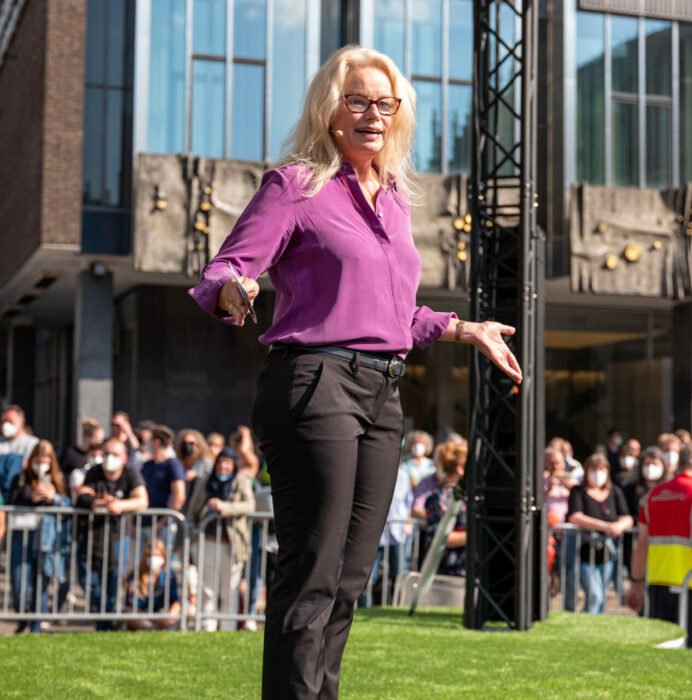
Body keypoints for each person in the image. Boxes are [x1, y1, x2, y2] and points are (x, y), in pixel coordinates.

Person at [189, 44, 521, 699]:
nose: (374, 114)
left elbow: (396, 314)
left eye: (385, 104)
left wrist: (466, 330)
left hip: (381, 392)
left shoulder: (394, 199)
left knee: (348, 580)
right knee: (312, 571)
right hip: (314, 382)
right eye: (358, 101)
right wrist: (235, 290)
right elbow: (224, 269)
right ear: (330, 109)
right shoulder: (295, 186)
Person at [627, 442, 692, 647]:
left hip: (658, 581)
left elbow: (641, 545)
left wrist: (635, 583)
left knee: (662, 647)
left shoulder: (653, 495)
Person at [75, 437, 148, 630]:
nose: (109, 458)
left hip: (117, 537)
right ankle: (104, 616)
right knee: (87, 580)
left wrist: (120, 505)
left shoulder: (130, 473)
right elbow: (83, 496)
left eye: (115, 454)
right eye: (107, 453)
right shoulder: (94, 472)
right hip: (92, 535)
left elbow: (142, 500)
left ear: (124, 458)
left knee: (113, 580)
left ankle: (106, 623)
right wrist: (103, 503)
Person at [186, 446, 255, 631]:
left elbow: (250, 505)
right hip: (208, 540)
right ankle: (207, 627)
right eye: (221, 462)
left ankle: (227, 628)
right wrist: (192, 538)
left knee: (229, 589)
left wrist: (225, 507)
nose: (223, 466)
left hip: (231, 544)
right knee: (207, 588)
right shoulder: (205, 482)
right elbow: (192, 511)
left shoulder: (241, 482)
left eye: (228, 462)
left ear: (233, 465)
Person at [8, 440, 69, 633]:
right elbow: (11, 501)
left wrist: (54, 498)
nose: (41, 465)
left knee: (41, 582)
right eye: (37, 460)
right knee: (19, 582)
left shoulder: (58, 479)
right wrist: (31, 498)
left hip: (46, 539)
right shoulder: (20, 478)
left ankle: (36, 626)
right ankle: (23, 619)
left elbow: (68, 506)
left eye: (45, 461)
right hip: (22, 537)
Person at [564, 454, 633, 614]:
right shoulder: (578, 491)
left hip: (608, 553)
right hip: (584, 551)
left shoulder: (614, 491)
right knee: (595, 596)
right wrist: (605, 526)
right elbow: (575, 516)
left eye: (601, 470)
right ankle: (586, 624)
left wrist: (619, 526)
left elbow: (627, 517)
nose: (597, 473)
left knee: (602, 595)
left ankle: (596, 624)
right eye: (593, 469)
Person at [358, 465, 413, 607]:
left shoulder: (403, 476)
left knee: (399, 574)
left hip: (397, 534)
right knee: (367, 576)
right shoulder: (370, 472)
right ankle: (366, 608)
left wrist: (408, 523)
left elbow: (408, 503)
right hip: (374, 534)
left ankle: (398, 607)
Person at [422, 441, 468, 577]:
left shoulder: (469, 496)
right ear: (460, 468)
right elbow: (442, 537)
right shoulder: (439, 498)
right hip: (446, 575)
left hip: (466, 571)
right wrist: (475, 534)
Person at [124, 539, 181, 630]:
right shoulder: (136, 574)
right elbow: (132, 606)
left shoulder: (169, 575)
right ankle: (153, 629)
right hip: (140, 616)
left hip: (159, 615)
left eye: (157, 555)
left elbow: (175, 603)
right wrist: (155, 620)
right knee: (143, 622)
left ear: (163, 557)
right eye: (150, 555)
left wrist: (168, 620)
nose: (153, 558)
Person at [0, 404, 40, 502]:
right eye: (3, 421)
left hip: (19, 494)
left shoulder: (32, 443)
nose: (6, 425)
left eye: (10, 421)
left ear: (22, 422)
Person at [175, 428, 213, 500]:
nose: (187, 446)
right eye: (184, 443)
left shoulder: (205, 462)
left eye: (191, 443)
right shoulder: (178, 462)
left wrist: (196, 475)